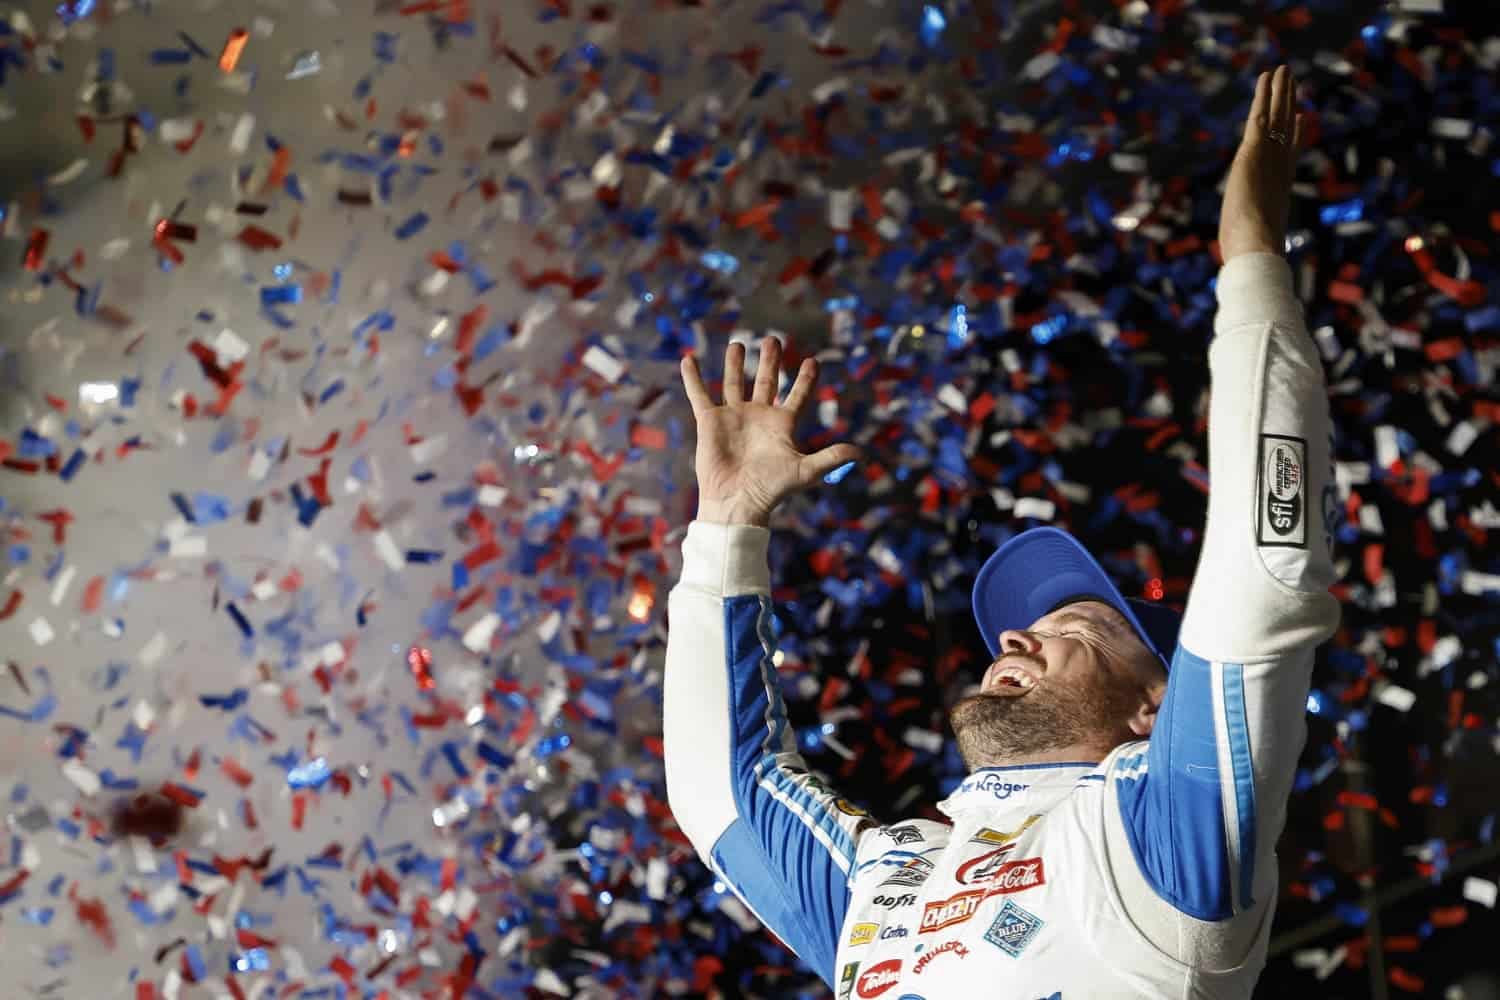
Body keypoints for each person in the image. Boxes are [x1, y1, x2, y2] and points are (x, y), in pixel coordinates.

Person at [665, 64, 1340, 999]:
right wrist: (730, 528)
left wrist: (1253, 259)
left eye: (1081, 633)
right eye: (1034, 629)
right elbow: (719, 791)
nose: (1017, 636)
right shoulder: (889, 882)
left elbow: (1264, 578)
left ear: (1155, 711)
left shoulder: (1158, 843)